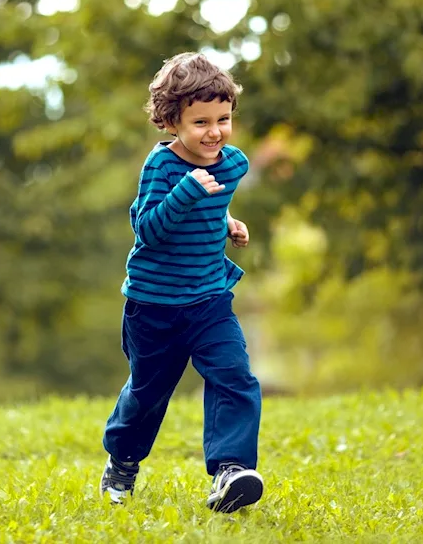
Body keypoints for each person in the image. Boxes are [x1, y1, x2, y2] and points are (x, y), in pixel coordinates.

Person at [99, 52, 264, 514]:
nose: (215, 132)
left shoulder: (231, 164)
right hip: (154, 306)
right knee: (148, 393)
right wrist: (188, 190)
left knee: (234, 376)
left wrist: (228, 221)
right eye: (201, 122)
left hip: (209, 297)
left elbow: (211, 204)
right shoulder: (161, 169)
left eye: (224, 119)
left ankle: (230, 471)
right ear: (172, 121)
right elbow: (148, 228)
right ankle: (123, 461)